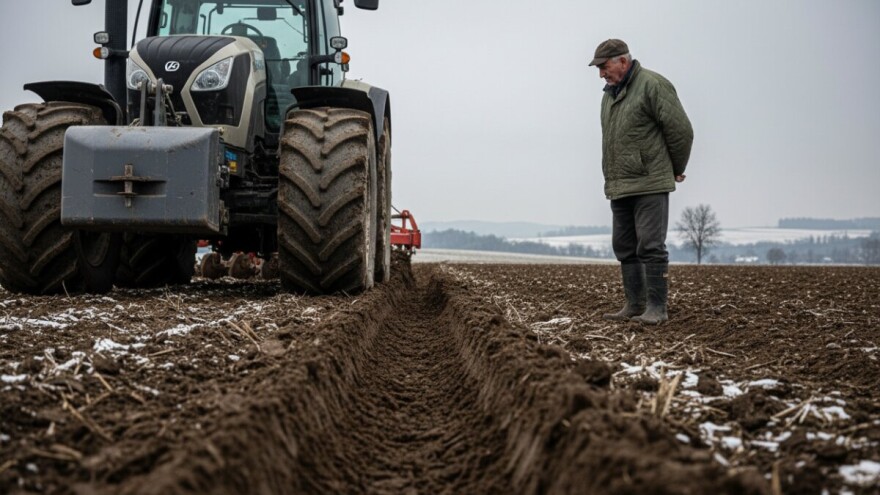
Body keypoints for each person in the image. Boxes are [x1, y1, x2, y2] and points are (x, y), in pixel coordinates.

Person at [589, 39, 693, 324]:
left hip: (649, 182)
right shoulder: (608, 96)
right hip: (620, 184)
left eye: (604, 66)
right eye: (598, 68)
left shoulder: (653, 85)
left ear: (623, 61)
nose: (601, 74)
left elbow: (681, 130)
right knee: (624, 246)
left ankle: (657, 309)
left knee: (650, 245)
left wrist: (675, 167)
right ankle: (635, 304)